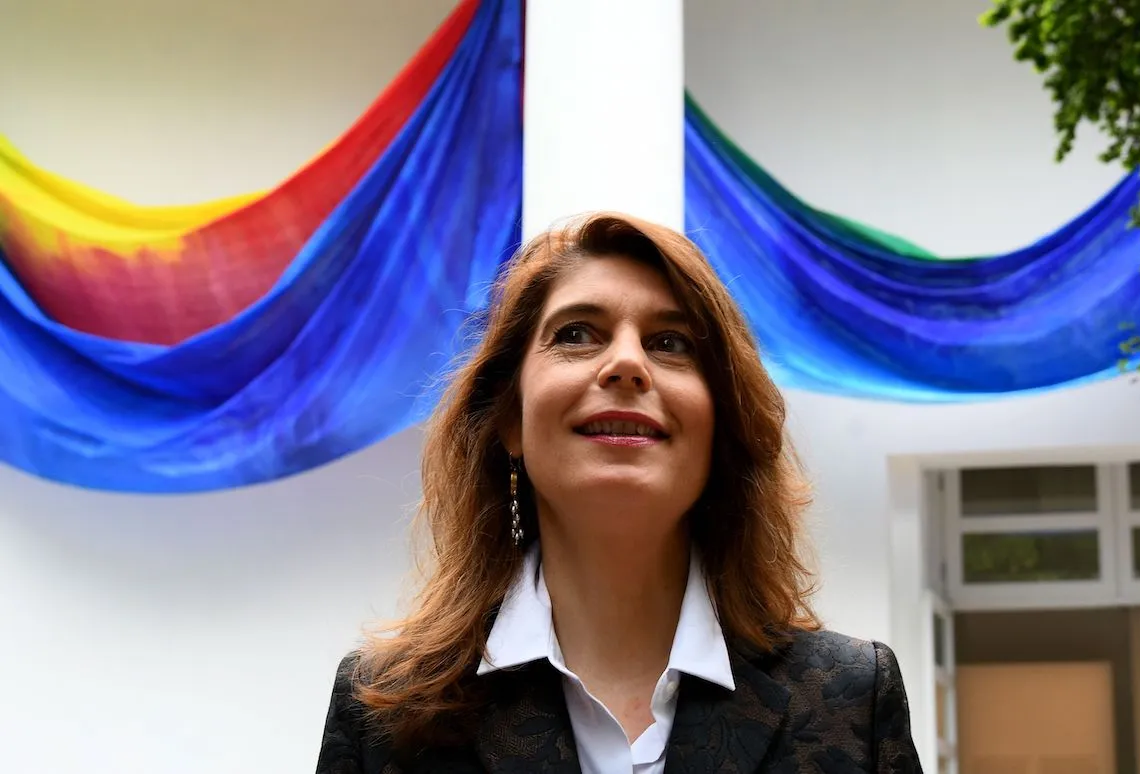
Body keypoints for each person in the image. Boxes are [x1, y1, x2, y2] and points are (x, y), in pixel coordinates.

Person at [315, 213, 922, 773]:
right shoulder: (386, 714)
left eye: (671, 343)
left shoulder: (853, 703)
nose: (627, 363)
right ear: (509, 419)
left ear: (722, 425)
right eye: (577, 333)